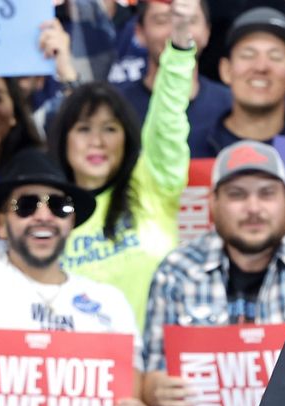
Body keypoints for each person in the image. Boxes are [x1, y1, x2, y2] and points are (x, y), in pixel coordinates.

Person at [0, 33, 150, 406]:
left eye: (59, 206)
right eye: (26, 206)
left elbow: (130, 399)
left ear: (71, 223)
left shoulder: (109, 303)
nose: (43, 216)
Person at [140, 140, 285, 406]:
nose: (253, 208)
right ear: (212, 202)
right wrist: (155, 390)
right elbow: (152, 371)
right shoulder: (177, 270)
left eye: (267, 193)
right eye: (237, 195)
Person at [55, 0, 200, 328]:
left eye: (110, 129)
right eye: (83, 129)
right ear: (64, 140)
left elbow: (168, 113)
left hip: (159, 363)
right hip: (89, 370)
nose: (97, 141)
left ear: (127, 138)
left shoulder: (152, 183)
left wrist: (179, 40)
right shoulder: (48, 210)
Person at [113, 0, 233, 159]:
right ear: (139, 32)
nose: (177, 30)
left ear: (207, 31)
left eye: (189, 20)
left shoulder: (232, 105)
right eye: (162, 20)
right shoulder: (116, 106)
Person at [199, 7, 285, 158]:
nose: (261, 67)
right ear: (226, 70)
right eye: (248, 55)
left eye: (275, 57)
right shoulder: (190, 147)